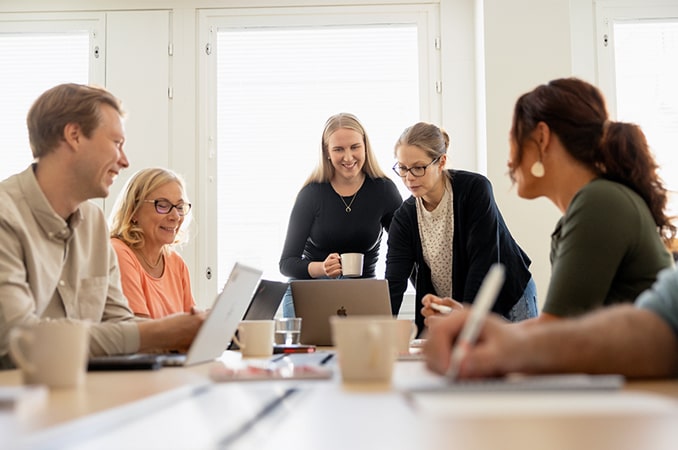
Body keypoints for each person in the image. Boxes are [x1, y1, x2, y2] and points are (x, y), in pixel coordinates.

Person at [422, 77, 675, 325]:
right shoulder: (590, 205)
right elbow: (567, 331)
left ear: (542, 138)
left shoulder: (599, 202)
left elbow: (556, 329)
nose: (509, 160)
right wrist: (473, 320)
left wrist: (479, 327)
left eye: (513, 140)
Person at [0, 83, 204, 369]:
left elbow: (120, 324)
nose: (124, 161)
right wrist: (163, 332)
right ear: (74, 136)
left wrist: (188, 332)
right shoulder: (5, 216)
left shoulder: (93, 224)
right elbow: (20, 341)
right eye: (117, 143)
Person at [386, 122, 537, 336]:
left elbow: (483, 260)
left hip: (507, 297)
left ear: (441, 162)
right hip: (457, 308)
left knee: (522, 364)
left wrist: (466, 318)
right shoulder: (404, 218)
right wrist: (376, 332)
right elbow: (394, 282)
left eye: (418, 167)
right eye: (402, 167)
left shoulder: (475, 189)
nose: (409, 177)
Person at [424, 266, 678, 379]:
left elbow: (551, 321)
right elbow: (659, 329)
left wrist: (511, 341)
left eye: (514, 152)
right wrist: (510, 342)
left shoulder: (600, 201)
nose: (510, 161)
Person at [279, 112, 403, 317]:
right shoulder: (311, 194)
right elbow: (286, 263)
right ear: (327, 152)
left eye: (355, 147)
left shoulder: (384, 191)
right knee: (311, 348)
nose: (348, 157)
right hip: (312, 292)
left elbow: (405, 249)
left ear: (365, 146)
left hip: (362, 292)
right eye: (338, 149)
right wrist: (322, 268)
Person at [109, 167, 196, 318]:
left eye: (180, 207)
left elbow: (193, 329)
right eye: (162, 205)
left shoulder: (176, 263)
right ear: (134, 210)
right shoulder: (117, 253)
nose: (175, 216)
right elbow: (140, 333)